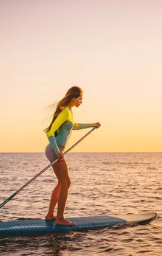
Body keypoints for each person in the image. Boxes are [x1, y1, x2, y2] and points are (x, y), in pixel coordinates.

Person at [44, 86, 100, 226]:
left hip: (55, 149)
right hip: (55, 149)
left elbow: (73, 126)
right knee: (66, 183)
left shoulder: (68, 112)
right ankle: (60, 218)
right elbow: (49, 132)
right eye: (80, 98)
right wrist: (57, 151)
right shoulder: (65, 112)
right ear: (73, 98)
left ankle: (51, 214)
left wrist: (91, 125)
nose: (81, 101)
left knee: (62, 182)